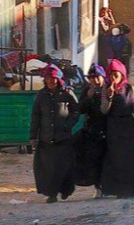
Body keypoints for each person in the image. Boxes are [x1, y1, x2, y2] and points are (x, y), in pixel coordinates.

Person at [31, 65, 80, 203]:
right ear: (44, 80)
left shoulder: (67, 93)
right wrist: (33, 136)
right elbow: (36, 115)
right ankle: (51, 194)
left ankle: (65, 190)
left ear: (59, 79)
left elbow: (76, 111)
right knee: (49, 169)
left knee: (65, 167)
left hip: (63, 138)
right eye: (48, 78)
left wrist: (67, 125)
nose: (51, 81)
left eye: (54, 79)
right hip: (47, 138)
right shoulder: (41, 95)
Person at [101, 58, 134, 199]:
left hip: (128, 127)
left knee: (130, 159)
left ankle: (131, 190)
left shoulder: (129, 88)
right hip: (114, 127)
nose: (114, 77)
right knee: (116, 159)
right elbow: (104, 110)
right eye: (111, 74)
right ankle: (118, 190)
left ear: (122, 74)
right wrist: (109, 97)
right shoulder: (106, 89)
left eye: (116, 74)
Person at [75, 64, 108, 197]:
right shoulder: (87, 91)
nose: (94, 81)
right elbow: (80, 110)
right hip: (91, 131)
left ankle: (106, 186)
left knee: (105, 160)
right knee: (92, 160)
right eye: (91, 78)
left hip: (107, 130)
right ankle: (97, 186)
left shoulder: (108, 89)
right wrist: (88, 97)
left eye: (96, 77)